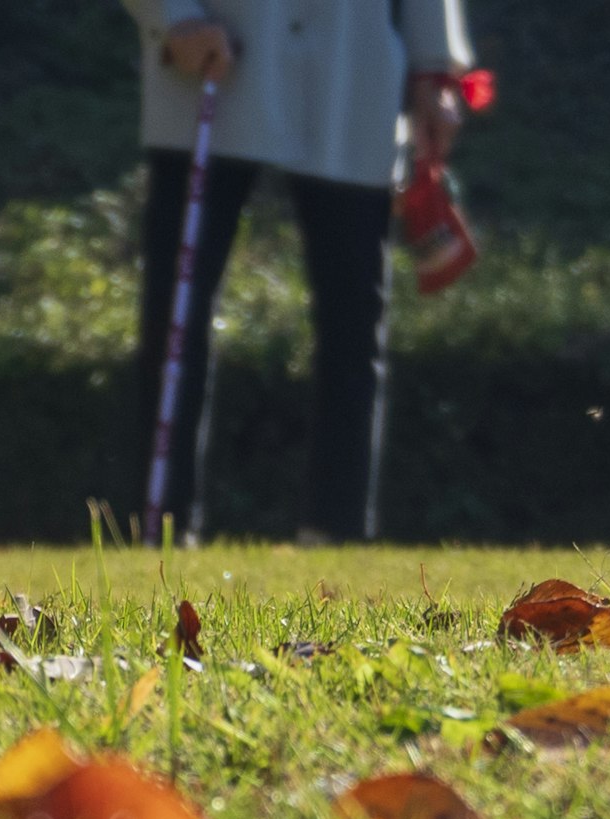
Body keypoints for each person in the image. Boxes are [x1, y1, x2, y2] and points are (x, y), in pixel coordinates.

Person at [124, 0, 476, 545]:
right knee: (175, 313)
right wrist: (173, 18)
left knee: (353, 321)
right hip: (210, 57)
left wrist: (435, 68)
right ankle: (159, 532)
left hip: (349, 69)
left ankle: (335, 534)